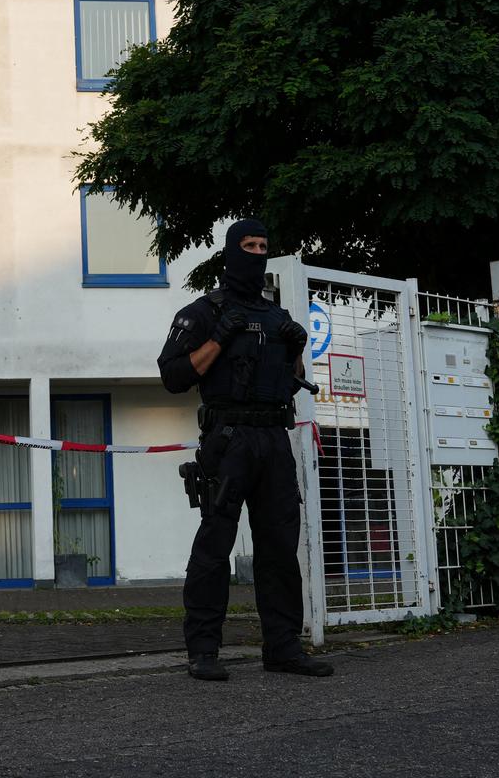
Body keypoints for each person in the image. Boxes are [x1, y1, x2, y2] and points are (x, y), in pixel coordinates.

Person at [157, 218, 334, 682]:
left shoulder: (277, 317)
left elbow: (290, 382)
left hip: (274, 439)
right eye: (248, 245)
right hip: (227, 439)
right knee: (215, 545)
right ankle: (203, 651)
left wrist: (296, 350)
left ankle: (282, 648)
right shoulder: (202, 312)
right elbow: (174, 377)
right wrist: (219, 338)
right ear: (232, 251)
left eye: (263, 246)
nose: (256, 253)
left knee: (279, 547)